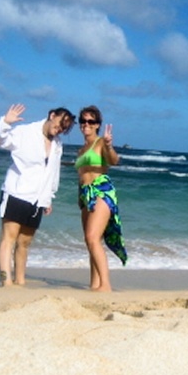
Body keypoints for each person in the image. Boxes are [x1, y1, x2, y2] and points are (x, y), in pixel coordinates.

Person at [0, 103, 75, 286]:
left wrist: (49, 196)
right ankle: (6, 283)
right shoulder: (25, 132)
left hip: (37, 200)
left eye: (64, 128)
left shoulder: (57, 144)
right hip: (16, 193)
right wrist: (5, 122)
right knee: (9, 239)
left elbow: (53, 172)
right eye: (60, 123)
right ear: (52, 115)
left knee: (25, 243)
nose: (59, 129)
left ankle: (20, 281)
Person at [75, 105, 127, 292]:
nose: (86, 124)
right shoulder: (81, 150)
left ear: (97, 124)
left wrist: (109, 145)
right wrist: (79, 198)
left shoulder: (100, 143)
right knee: (90, 242)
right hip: (85, 194)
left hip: (101, 191)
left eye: (91, 121)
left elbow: (114, 160)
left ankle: (105, 285)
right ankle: (94, 284)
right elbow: (81, 176)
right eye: (83, 121)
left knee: (92, 238)